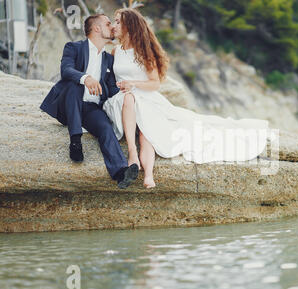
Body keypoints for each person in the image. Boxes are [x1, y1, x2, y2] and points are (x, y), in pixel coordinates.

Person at [104, 8, 271, 189]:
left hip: (146, 98)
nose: (114, 25)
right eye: (114, 21)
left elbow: (154, 84)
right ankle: (132, 154)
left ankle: (148, 175)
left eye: (118, 22)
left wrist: (134, 84)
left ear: (130, 26)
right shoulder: (115, 52)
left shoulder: (145, 52)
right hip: (124, 100)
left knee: (147, 132)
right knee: (129, 99)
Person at [39, 14, 139, 189]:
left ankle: (120, 172)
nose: (113, 27)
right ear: (97, 28)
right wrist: (86, 78)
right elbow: (66, 70)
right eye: (109, 24)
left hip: (90, 108)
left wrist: (125, 91)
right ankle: (75, 141)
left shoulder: (109, 59)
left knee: (105, 127)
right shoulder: (74, 47)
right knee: (75, 85)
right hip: (67, 105)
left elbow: (111, 89)